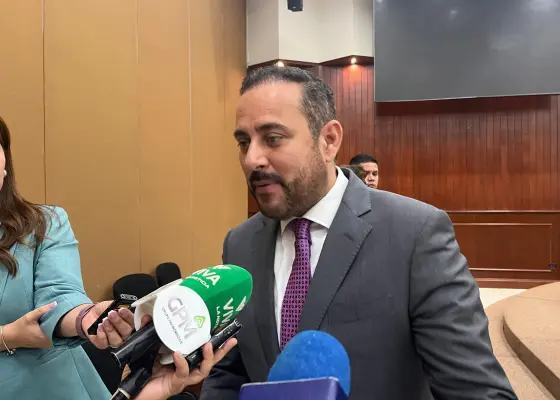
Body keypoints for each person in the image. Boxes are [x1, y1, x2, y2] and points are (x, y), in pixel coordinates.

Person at [199, 67, 517, 399]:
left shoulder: (415, 234)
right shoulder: (239, 244)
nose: (252, 159)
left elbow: (476, 390)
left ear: (329, 140)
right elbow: (231, 370)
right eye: (243, 142)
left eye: (273, 138)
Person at [0, 116, 135, 399]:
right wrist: (8, 336)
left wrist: (84, 316)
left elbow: (61, 293)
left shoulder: (43, 224)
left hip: (53, 388)